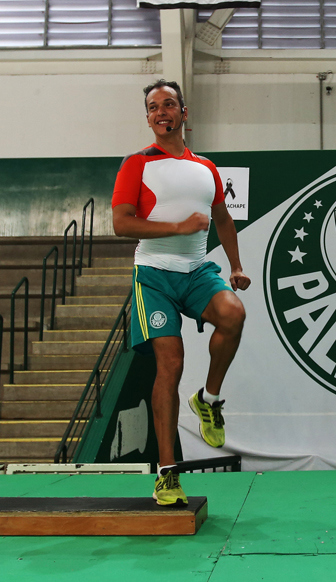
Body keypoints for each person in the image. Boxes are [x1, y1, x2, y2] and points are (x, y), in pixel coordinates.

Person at [112, 80, 250, 506]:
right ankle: (168, 473)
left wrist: (236, 266)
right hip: (154, 276)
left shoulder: (206, 168)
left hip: (196, 271)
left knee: (233, 314)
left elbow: (223, 219)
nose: (161, 112)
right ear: (148, 118)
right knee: (170, 364)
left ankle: (208, 399)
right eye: (153, 107)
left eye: (168, 104)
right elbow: (121, 224)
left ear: (183, 113)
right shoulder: (137, 164)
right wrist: (177, 227)